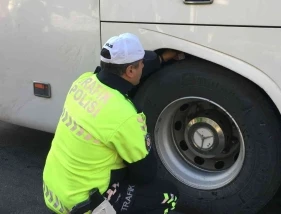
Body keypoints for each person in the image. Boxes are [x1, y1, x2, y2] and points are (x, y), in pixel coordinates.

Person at [43, 33, 180, 214]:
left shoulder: (83, 81)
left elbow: (114, 76)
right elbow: (145, 175)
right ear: (130, 70)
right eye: (141, 64)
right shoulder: (125, 115)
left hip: (55, 193)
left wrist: (161, 59)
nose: (143, 66)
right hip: (84, 206)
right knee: (169, 194)